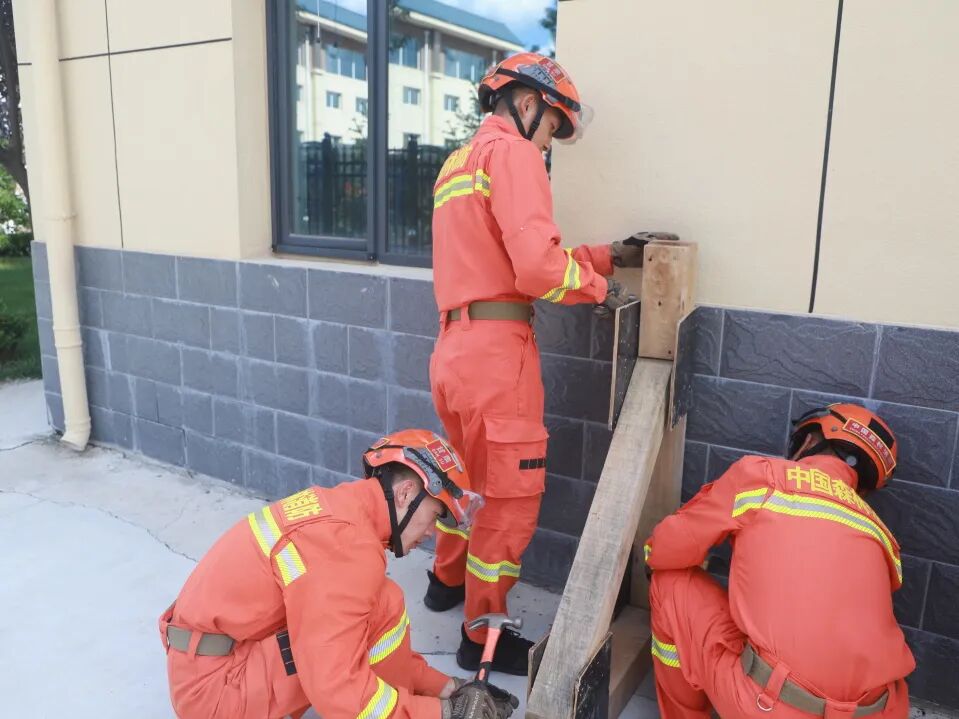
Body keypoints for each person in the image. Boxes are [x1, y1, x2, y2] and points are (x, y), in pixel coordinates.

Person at [426, 49, 679, 676]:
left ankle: (443, 583)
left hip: (454, 351)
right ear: (528, 101)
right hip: (498, 357)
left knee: (464, 479)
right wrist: (603, 289)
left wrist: (605, 254)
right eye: (551, 127)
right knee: (508, 500)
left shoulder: (457, 164)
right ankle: (481, 634)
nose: (549, 142)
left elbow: (509, 252)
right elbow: (537, 270)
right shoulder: (512, 153)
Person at [159, 429, 519, 719]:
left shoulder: (340, 511)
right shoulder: (346, 548)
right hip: (216, 694)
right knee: (345, 652)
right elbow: (335, 688)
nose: (431, 532)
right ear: (407, 493)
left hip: (213, 661)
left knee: (381, 602)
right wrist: (443, 714)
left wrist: (450, 687)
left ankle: (408, 702)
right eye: (436, 515)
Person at [644, 403, 915, 719]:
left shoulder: (764, 477)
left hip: (773, 708)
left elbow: (668, 546)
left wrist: (650, 557)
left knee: (668, 582)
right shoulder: (882, 535)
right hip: (883, 711)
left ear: (810, 442)